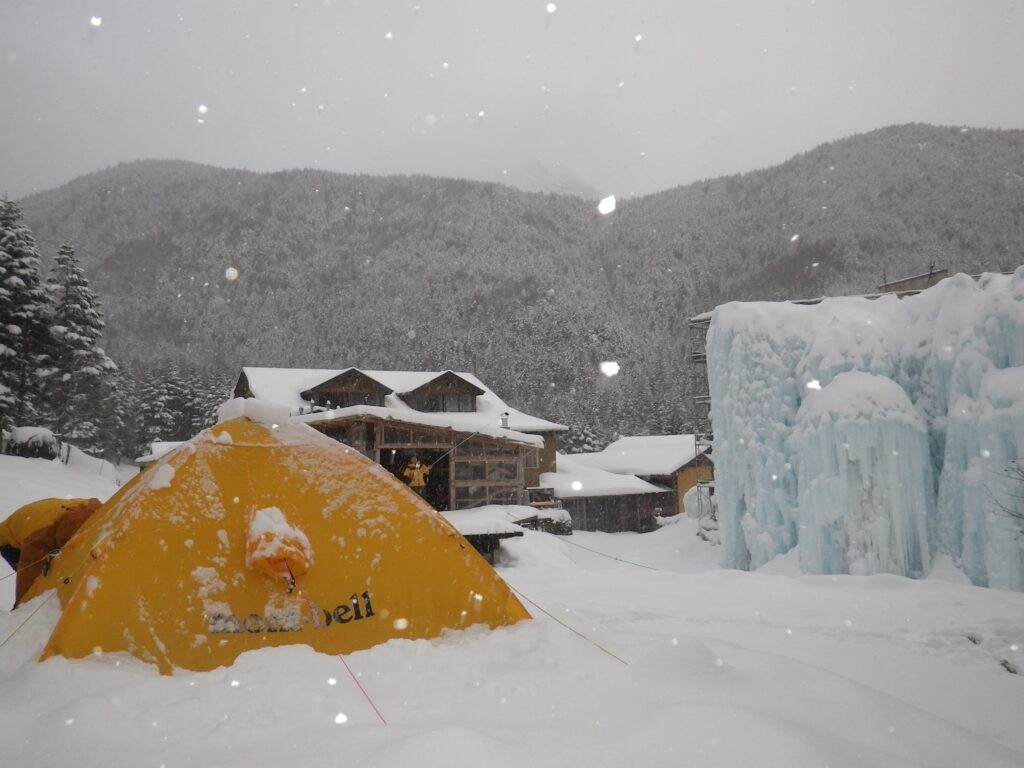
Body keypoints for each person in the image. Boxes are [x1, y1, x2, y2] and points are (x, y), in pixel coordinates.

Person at [5, 498, 102, 607]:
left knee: (56, 566)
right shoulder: (38, 541)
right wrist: (20, 606)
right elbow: (28, 576)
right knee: (38, 579)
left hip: (39, 514)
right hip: (8, 539)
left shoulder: (95, 511)